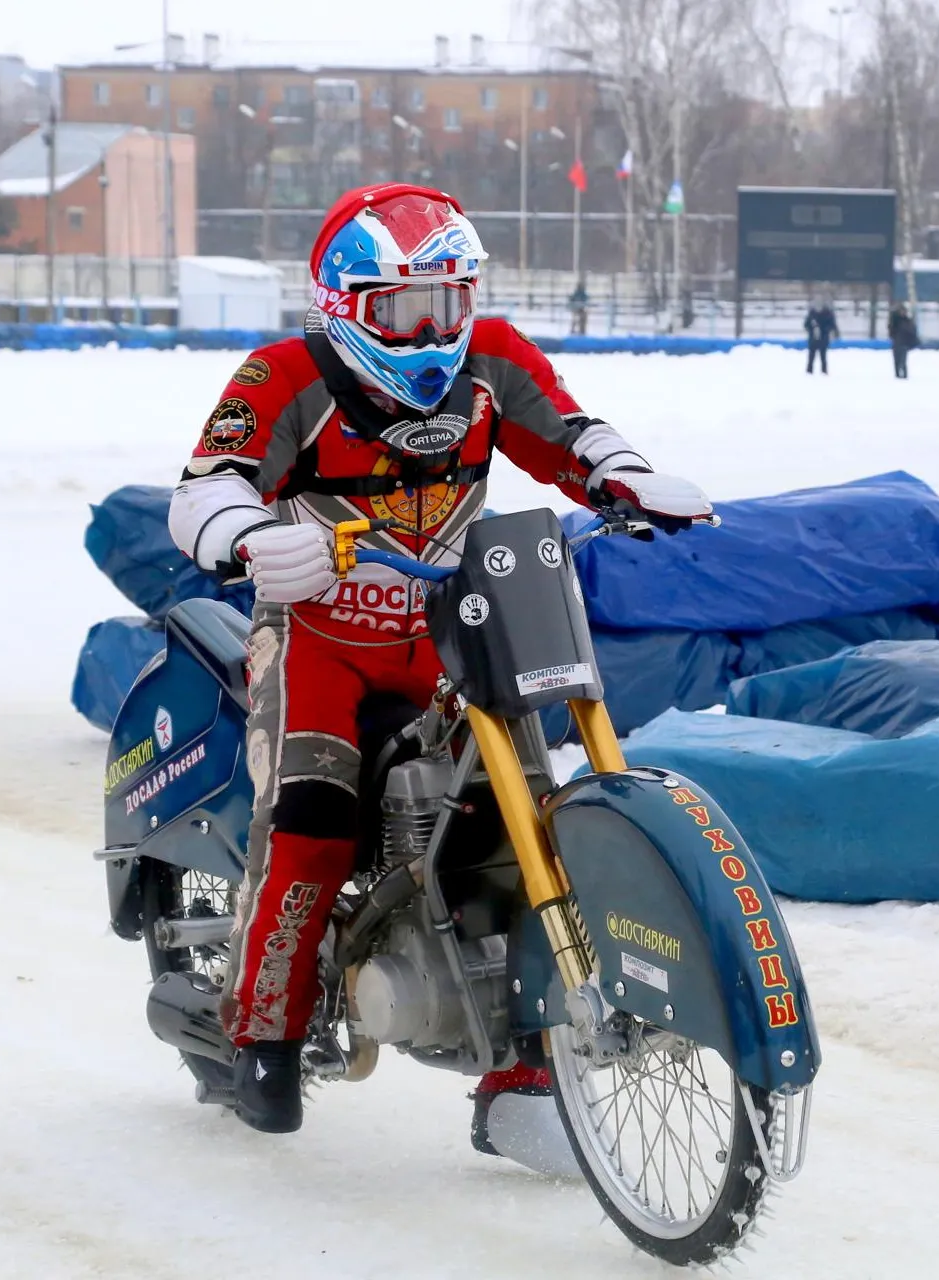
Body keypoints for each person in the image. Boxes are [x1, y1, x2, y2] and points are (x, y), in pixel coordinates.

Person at [168, 184, 711, 1140]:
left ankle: (524, 1060)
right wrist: (251, 539)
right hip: (315, 640)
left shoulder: (493, 362)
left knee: (521, 816)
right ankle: (263, 1029)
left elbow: (567, 431)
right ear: (344, 304)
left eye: (448, 305)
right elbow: (205, 489)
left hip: (454, 629)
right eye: (403, 312)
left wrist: (622, 474)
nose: (430, 335)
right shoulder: (283, 375)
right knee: (309, 819)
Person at [803, 296, 838, 374]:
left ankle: (824, 371)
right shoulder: (812, 314)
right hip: (813, 338)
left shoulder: (827, 313)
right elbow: (806, 324)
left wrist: (825, 330)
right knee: (811, 355)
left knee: (823, 356)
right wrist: (812, 329)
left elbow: (832, 325)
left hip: (823, 338)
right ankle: (809, 371)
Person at [890, 303, 920, 380]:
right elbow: (891, 329)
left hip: (904, 343)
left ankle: (904, 375)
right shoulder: (896, 321)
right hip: (897, 342)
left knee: (902, 361)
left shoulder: (907, 321)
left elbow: (912, 331)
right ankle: (897, 375)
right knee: (896, 360)